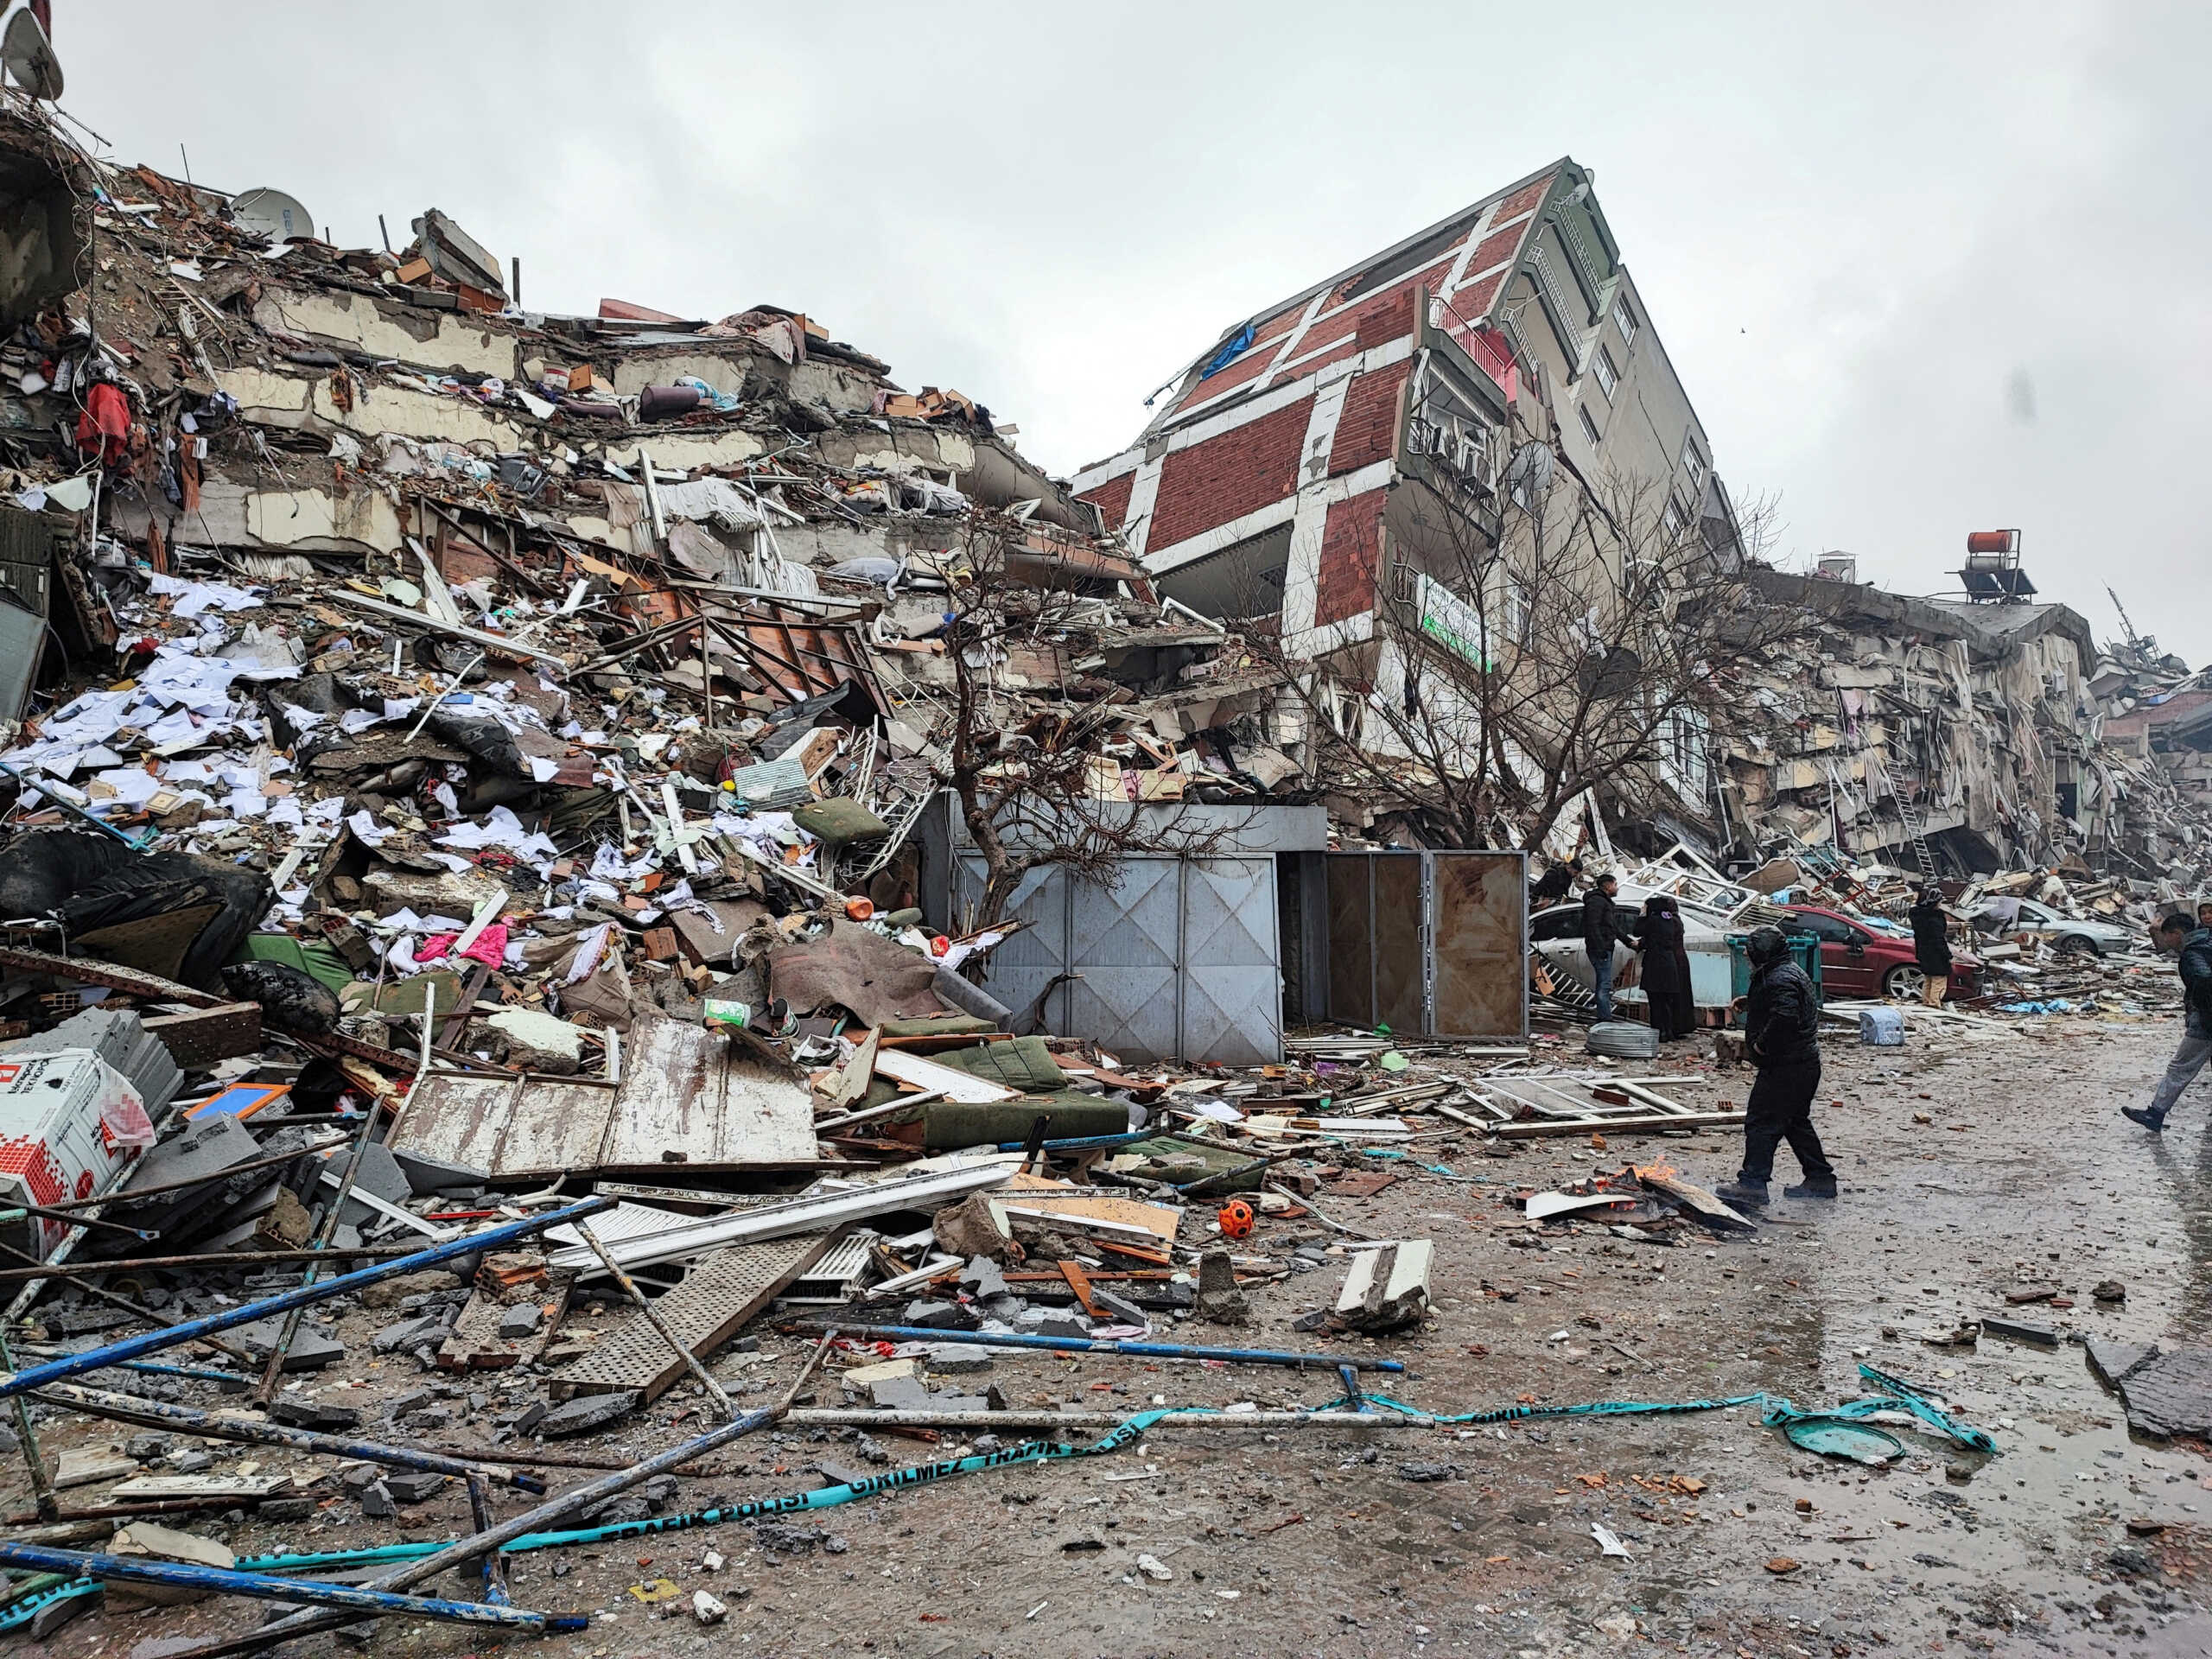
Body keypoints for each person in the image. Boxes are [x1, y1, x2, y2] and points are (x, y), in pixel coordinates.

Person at [1716, 925, 1835, 1206]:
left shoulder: (1780, 978)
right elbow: (1785, 1005)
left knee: (1761, 1122)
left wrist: (1760, 1045)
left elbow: (1785, 1016)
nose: (1745, 953)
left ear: (1763, 953)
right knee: (1794, 1122)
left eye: (1750, 950)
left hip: (1786, 1066)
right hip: (1801, 1064)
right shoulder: (1784, 971)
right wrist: (1754, 1003)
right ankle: (1820, 1179)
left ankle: (1753, 1184)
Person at [2120, 911, 2212, 1132]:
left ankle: (2155, 1114)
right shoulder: (2207, 941)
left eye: (2167, 935)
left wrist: (2202, 1011)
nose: (2166, 941)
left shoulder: (2192, 953)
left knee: (2180, 1068)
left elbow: (2204, 980)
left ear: (2177, 934)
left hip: (2207, 1022)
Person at [1580, 873, 1640, 1020]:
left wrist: (1629, 942)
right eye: (1615, 885)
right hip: (1601, 949)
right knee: (1604, 984)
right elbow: (1592, 926)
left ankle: (1604, 1017)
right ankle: (1605, 1019)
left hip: (1604, 947)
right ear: (1607, 886)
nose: (1617, 888)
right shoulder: (1597, 902)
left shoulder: (1603, 902)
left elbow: (1612, 928)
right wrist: (1600, 947)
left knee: (1604, 983)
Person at [1637, 893, 1696, 1040]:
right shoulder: (1673, 921)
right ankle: (1670, 1030)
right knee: (1669, 999)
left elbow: (1641, 932)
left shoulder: (1658, 921)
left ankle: (1664, 1030)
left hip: (1664, 963)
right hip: (1674, 962)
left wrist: (1642, 916)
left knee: (1660, 999)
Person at [1909, 885, 1953, 1008]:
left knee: (1928, 980)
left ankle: (1926, 1002)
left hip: (1923, 952)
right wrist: (1947, 955)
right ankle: (1934, 1005)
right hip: (1936, 955)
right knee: (1939, 981)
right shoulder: (1934, 919)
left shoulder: (1917, 916)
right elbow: (1939, 940)